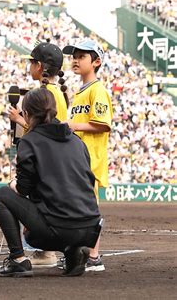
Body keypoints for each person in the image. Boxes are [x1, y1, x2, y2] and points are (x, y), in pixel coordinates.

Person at [0, 88, 103, 278]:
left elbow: (23, 188)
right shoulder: (77, 141)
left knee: (1, 195)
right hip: (90, 232)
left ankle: (18, 260)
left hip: (56, 231)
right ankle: (73, 254)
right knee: (61, 211)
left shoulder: (29, 141)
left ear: (26, 114)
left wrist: (12, 184)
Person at [8, 42, 69, 267]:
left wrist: (18, 120)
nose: (29, 66)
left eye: (32, 62)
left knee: (28, 197)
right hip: (57, 157)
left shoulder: (45, 94)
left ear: (40, 66)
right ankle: (44, 251)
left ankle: (43, 252)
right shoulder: (57, 92)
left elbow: (40, 131)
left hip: (47, 157)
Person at [62, 38, 113, 272]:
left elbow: (102, 124)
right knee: (80, 205)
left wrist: (73, 125)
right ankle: (83, 253)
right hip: (78, 157)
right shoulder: (80, 91)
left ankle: (94, 256)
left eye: (82, 56)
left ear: (96, 62)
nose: (75, 59)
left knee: (89, 206)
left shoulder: (98, 90)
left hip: (90, 157)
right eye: (74, 55)